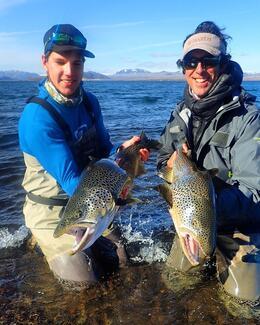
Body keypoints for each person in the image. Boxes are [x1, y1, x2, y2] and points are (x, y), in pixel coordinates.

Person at [19, 24, 149, 285]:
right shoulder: (37, 120)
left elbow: (104, 152)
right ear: (45, 62)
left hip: (87, 199)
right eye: (60, 62)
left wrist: (124, 154)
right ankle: (39, 239)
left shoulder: (90, 102)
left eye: (76, 63)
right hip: (54, 210)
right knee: (84, 282)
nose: (69, 72)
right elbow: (74, 186)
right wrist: (117, 184)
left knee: (124, 256)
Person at [157, 21, 260, 302]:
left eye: (208, 61)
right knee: (174, 287)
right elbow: (164, 158)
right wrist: (169, 166)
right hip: (192, 220)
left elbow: (255, 192)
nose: (199, 70)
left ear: (222, 63)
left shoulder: (248, 118)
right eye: (191, 62)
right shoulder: (180, 114)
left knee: (244, 304)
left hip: (240, 227)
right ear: (183, 68)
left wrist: (200, 201)